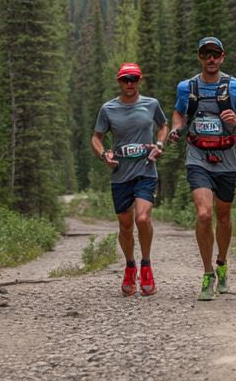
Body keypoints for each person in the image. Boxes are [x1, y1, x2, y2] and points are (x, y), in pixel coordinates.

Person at [168, 37, 236, 300]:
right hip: (197, 156)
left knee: (224, 216)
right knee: (205, 214)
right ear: (200, 57)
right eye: (206, 54)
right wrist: (176, 128)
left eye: (215, 54)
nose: (211, 59)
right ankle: (207, 273)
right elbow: (178, 113)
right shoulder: (187, 87)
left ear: (222, 57)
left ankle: (222, 263)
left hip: (226, 157)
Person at [91, 62, 168, 296]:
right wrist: (104, 154)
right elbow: (96, 137)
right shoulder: (108, 109)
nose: (130, 84)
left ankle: (146, 265)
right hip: (120, 175)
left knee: (142, 219)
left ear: (140, 80)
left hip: (146, 170)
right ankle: (129, 265)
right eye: (126, 79)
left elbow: (163, 126)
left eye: (134, 79)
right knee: (125, 225)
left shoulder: (151, 104)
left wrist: (159, 144)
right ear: (119, 81)